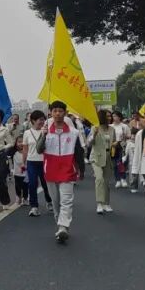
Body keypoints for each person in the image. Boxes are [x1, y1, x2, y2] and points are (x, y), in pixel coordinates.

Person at [35, 100, 83, 244]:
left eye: (60, 111)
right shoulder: (45, 131)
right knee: (55, 202)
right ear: (50, 113)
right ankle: (60, 225)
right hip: (50, 170)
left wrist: (81, 169)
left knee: (66, 201)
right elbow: (39, 150)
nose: (57, 114)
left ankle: (63, 227)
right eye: (54, 111)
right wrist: (43, 135)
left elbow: (79, 152)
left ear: (65, 113)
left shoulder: (74, 133)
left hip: (67, 170)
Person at [87, 108, 115, 214]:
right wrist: (94, 135)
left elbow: (114, 142)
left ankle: (106, 203)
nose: (109, 118)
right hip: (96, 156)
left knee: (106, 181)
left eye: (110, 116)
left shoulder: (112, 129)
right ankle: (99, 203)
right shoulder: (95, 128)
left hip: (108, 156)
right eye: (107, 116)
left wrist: (117, 144)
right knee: (99, 179)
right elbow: (89, 143)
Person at [22, 110, 49, 217]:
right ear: (33, 120)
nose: (42, 122)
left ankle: (49, 201)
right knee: (32, 184)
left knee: (46, 184)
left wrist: (45, 134)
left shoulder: (46, 131)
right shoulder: (27, 133)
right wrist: (23, 163)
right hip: (31, 162)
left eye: (43, 119)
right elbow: (25, 149)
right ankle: (34, 207)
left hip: (45, 161)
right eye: (40, 120)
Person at [111, 111, 130, 188]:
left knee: (120, 163)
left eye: (115, 116)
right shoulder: (110, 126)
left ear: (119, 117)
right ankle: (117, 180)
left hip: (122, 146)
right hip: (113, 147)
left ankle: (123, 179)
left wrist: (125, 137)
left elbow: (129, 136)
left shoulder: (124, 126)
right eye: (113, 116)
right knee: (115, 164)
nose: (114, 118)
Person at [126, 113, 143, 193]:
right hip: (132, 159)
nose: (135, 117)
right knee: (133, 172)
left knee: (142, 171)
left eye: (136, 116)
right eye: (134, 116)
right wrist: (124, 158)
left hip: (141, 158)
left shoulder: (143, 121)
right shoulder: (131, 122)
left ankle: (144, 182)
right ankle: (134, 185)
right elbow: (126, 151)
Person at [12, 134, 28, 205]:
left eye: (22, 141)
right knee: (18, 187)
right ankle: (18, 197)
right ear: (16, 143)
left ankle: (25, 198)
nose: (21, 143)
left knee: (25, 187)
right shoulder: (14, 153)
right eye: (19, 142)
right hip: (17, 174)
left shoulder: (28, 152)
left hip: (26, 174)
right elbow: (19, 162)